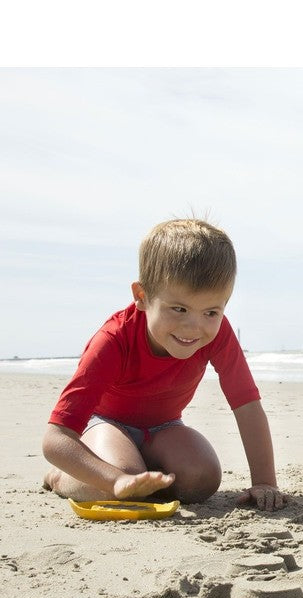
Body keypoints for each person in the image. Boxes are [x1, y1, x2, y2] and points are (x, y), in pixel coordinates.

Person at [43, 218, 286, 511]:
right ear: (142, 297)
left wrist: (264, 481)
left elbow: (246, 404)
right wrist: (115, 480)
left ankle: (133, 465)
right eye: (179, 309)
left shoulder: (218, 333)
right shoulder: (113, 340)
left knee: (202, 478)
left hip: (164, 427)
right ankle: (61, 478)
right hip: (106, 424)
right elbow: (56, 439)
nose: (193, 327)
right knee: (125, 483)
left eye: (211, 311)